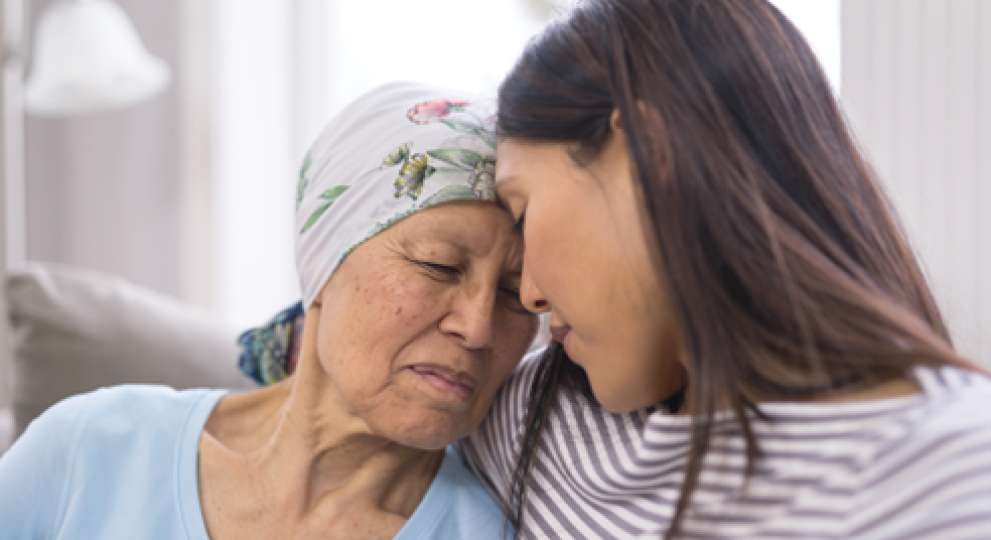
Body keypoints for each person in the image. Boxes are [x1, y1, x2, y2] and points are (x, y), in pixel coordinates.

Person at [459, 1, 991, 538]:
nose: (530, 295)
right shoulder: (530, 420)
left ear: (645, 155)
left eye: (522, 214)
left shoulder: (952, 474)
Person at [0, 82, 535, 539]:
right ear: (324, 264)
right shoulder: (90, 449)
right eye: (439, 266)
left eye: (516, 295)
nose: (479, 327)